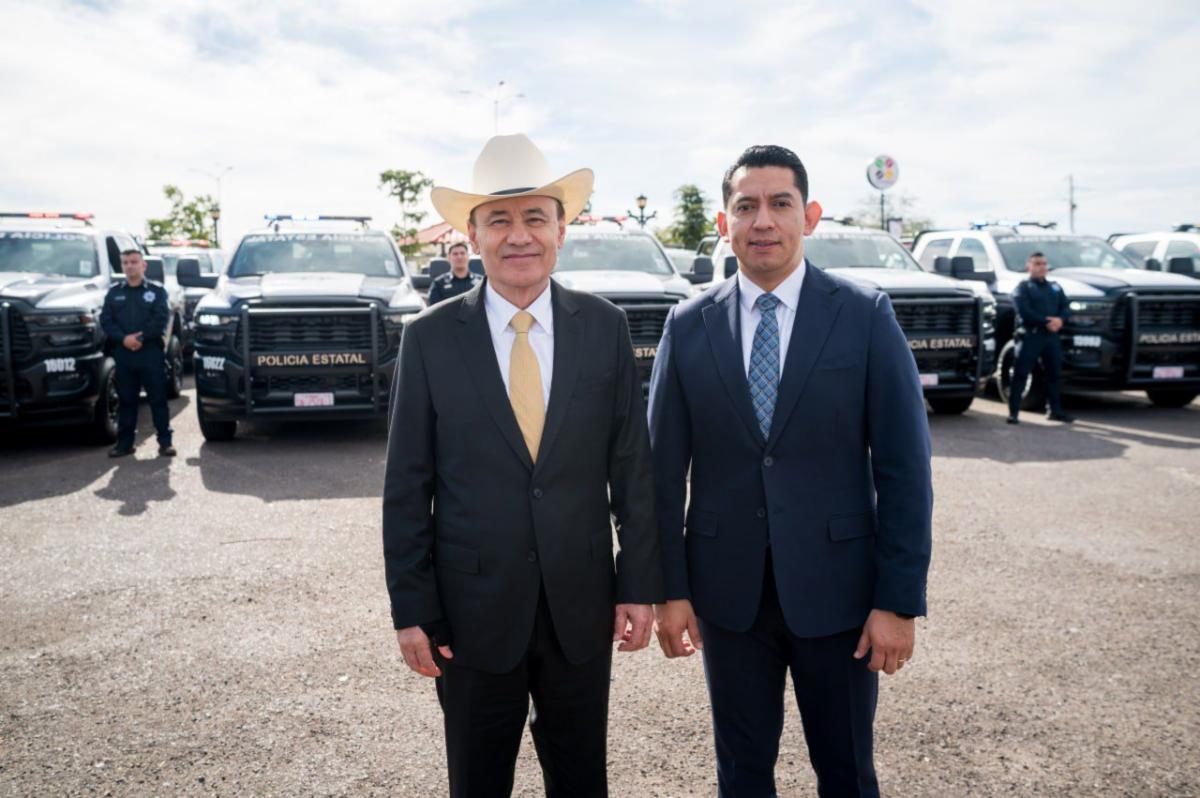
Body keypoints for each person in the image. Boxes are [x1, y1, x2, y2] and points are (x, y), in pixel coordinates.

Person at [382, 133, 663, 798]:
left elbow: (631, 466)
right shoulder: (429, 338)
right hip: (470, 613)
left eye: (535, 217)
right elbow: (407, 484)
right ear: (473, 235)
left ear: (561, 230)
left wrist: (638, 582)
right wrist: (411, 608)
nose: (519, 236)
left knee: (581, 779)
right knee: (478, 780)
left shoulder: (604, 326)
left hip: (581, 606)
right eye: (499, 220)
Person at [648, 145, 932, 797]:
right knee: (742, 773)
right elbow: (660, 473)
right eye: (746, 206)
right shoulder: (687, 326)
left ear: (810, 215)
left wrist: (897, 600)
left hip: (841, 595)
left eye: (780, 203)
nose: (763, 221)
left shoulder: (864, 315)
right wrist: (669, 590)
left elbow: (905, 471)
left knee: (847, 772)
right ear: (723, 223)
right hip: (729, 599)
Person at [99, 249, 175, 458]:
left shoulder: (156, 291)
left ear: (143, 265)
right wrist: (124, 339)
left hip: (150, 352)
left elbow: (161, 318)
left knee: (158, 399)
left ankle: (165, 443)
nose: (129, 266)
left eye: (133, 262)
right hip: (124, 354)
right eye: (125, 262)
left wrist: (141, 338)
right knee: (127, 400)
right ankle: (125, 444)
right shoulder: (114, 293)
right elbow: (106, 320)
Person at [1008, 251, 1074, 424]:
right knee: (1021, 374)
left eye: (1044, 264)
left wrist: (1060, 320)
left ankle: (1055, 410)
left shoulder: (1055, 287)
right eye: (1037, 264)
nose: (1042, 267)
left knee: (1054, 374)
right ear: (1028, 266)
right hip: (1031, 336)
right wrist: (1045, 322)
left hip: (1051, 337)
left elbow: (1066, 307)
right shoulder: (1023, 287)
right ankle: (1013, 413)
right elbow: (1023, 311)